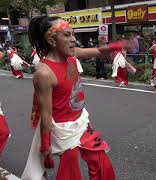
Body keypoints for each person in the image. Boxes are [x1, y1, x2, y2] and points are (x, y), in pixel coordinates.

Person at [21, 16, 125, 180]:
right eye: (67, 35)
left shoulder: (72, 54)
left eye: (73, 34)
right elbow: (46, 114)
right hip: (62, 130)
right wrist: (45, 146)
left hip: (81, 122)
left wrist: (118, 45)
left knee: (100, 161)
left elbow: (98, 52)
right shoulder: (44, 73)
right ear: (51, 40)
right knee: (70, 174)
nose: (73, 40)